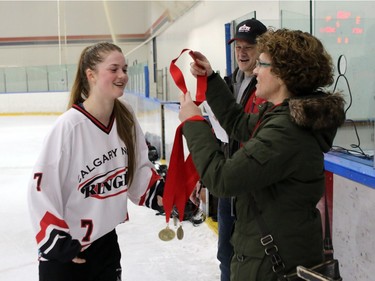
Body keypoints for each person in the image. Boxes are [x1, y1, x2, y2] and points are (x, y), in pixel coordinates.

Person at [178, 28, 346, 280]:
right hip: (273, 255)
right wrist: (211, 79)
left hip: (272, 265)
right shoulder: (282, 117)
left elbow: (222, 179)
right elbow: (237, 123)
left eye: (262, 64)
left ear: (282, 74)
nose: (255, 71)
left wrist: (192, 122)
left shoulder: (287, 132)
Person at [27, 42, 164, 281]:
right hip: (66, 252)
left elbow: (138, 171)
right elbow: (40, 187)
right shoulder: (69, 126)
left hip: (105, 246)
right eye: (114, 69)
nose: (122, 75)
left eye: (125, 68)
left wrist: (164, 193)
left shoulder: (126, 116)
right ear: (90, 75)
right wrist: (56, 240)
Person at [217, 18, 267, 281]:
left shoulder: (268, 88)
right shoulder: (230, 83)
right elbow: (222, 135)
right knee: (225, 252)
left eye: (249, 46)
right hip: (229, 186)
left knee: (250, 258)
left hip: (253, 186)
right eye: (238, 46)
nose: (242, 52)